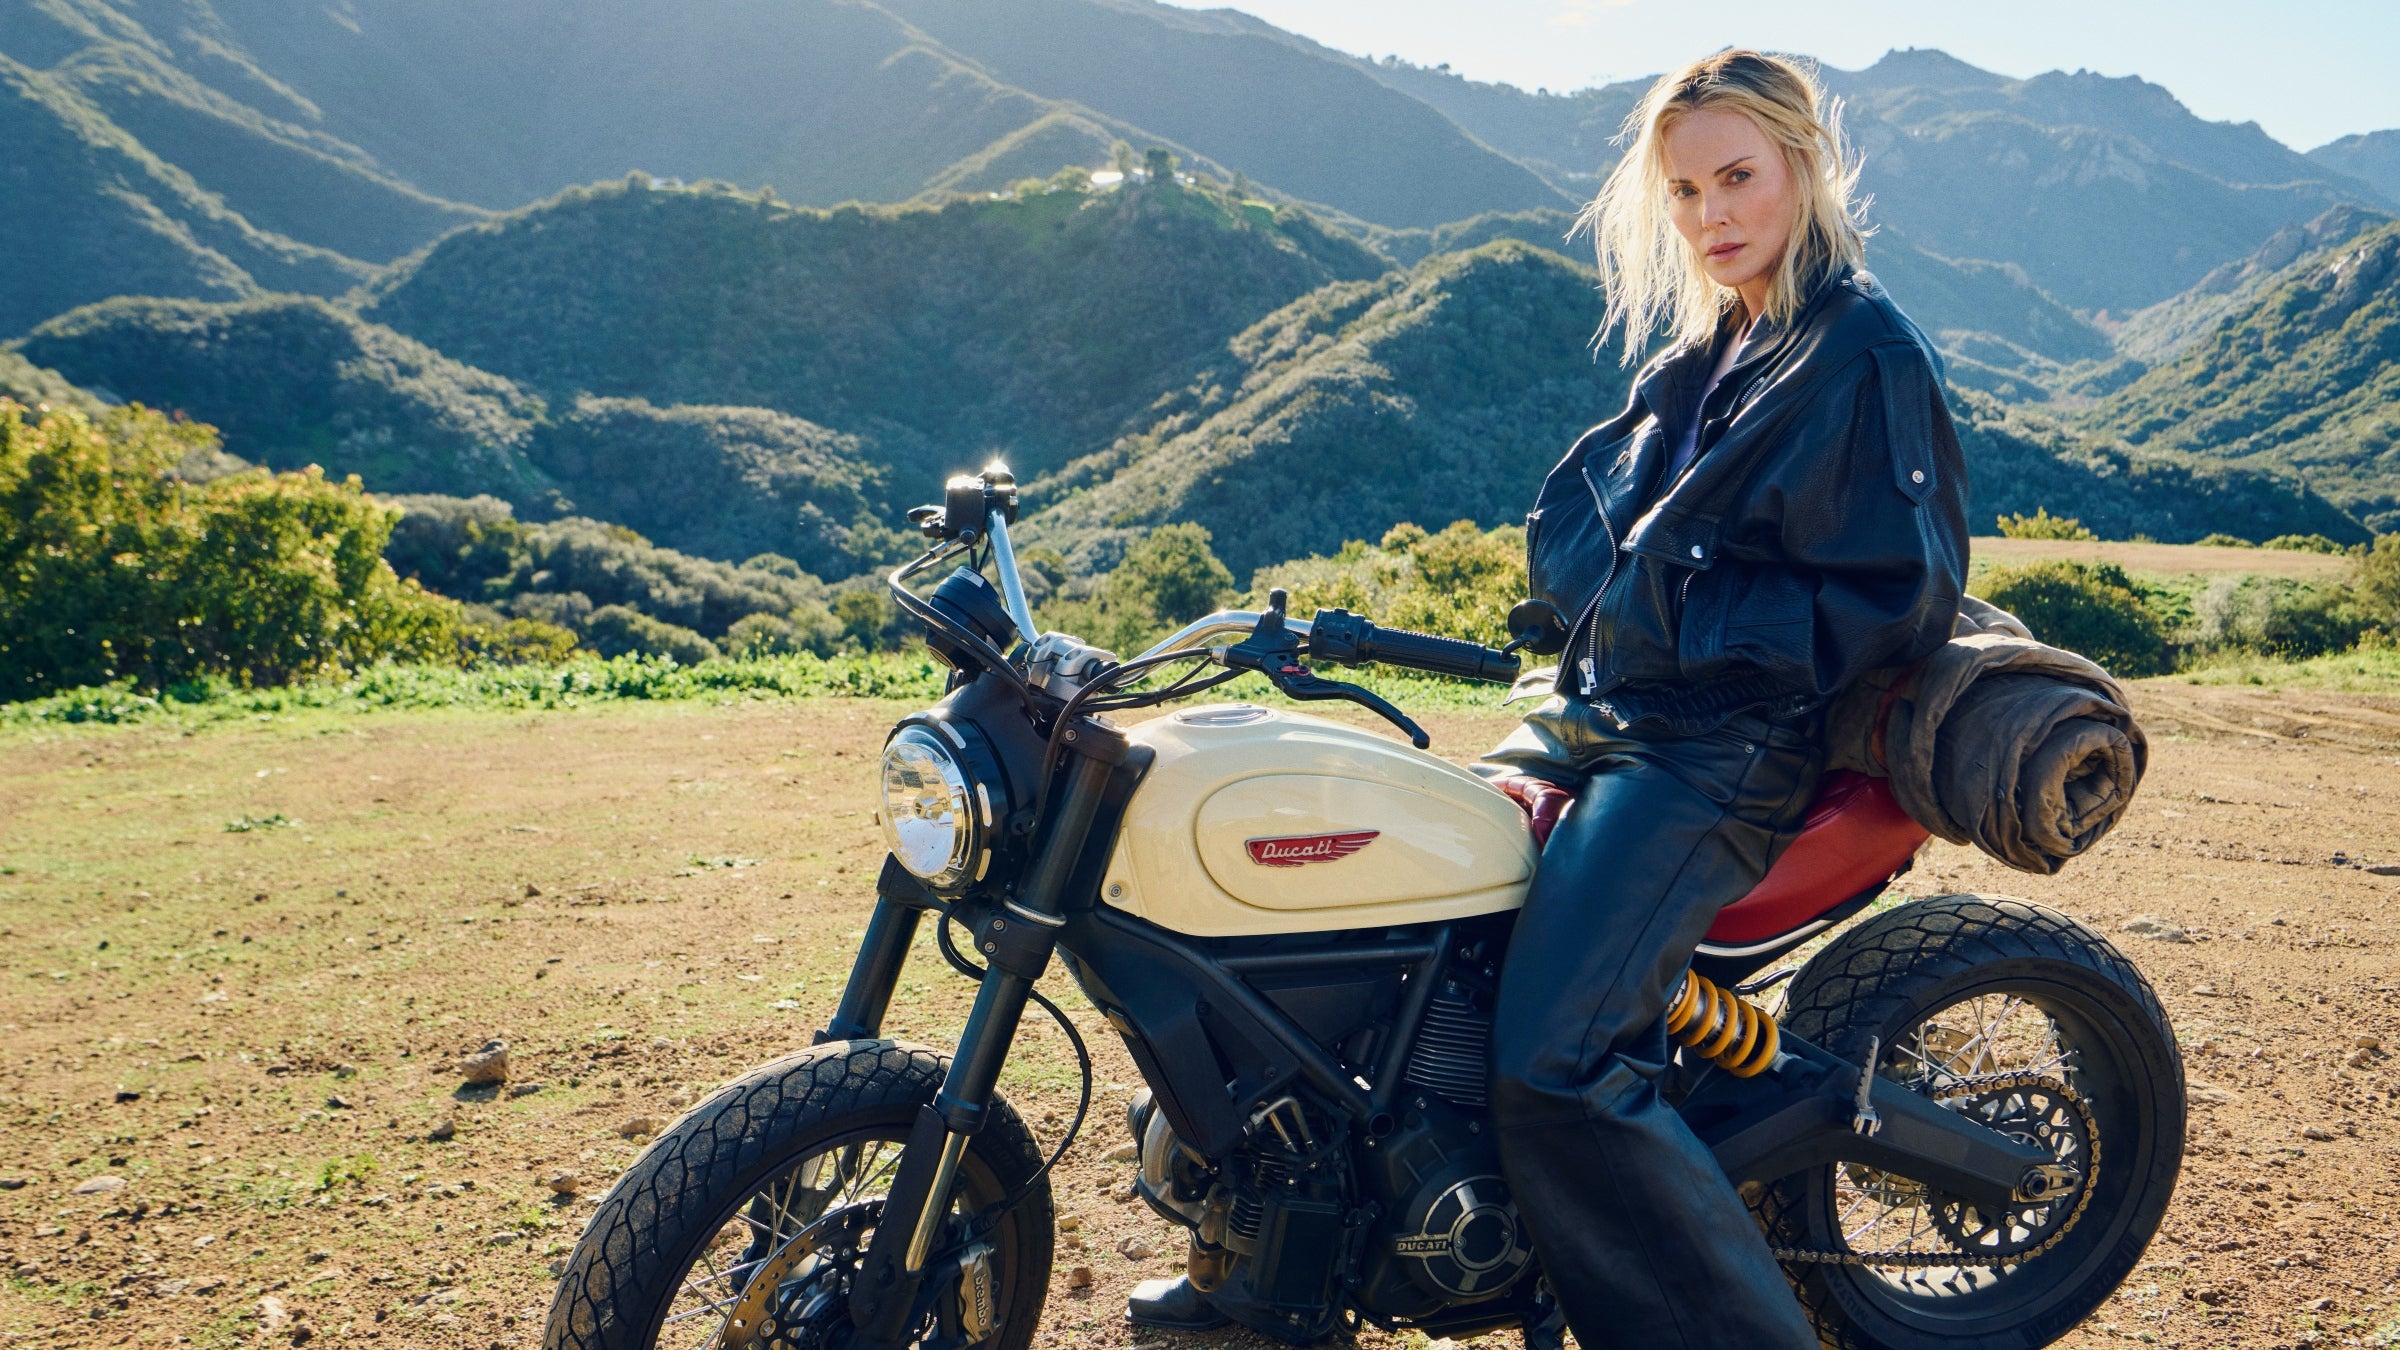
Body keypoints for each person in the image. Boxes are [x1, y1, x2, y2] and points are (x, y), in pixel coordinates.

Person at [1473, 50, 1969, 1348]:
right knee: (1415, 925)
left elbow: (1896, 594)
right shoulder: (1721, 337)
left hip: (1721, 749)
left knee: (1561, 1061)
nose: (1711, 216)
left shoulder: (1862, 352)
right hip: (1616, 710)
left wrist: (1685, 629)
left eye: (1737, 178)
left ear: (1806, 166)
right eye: (1686, 190)